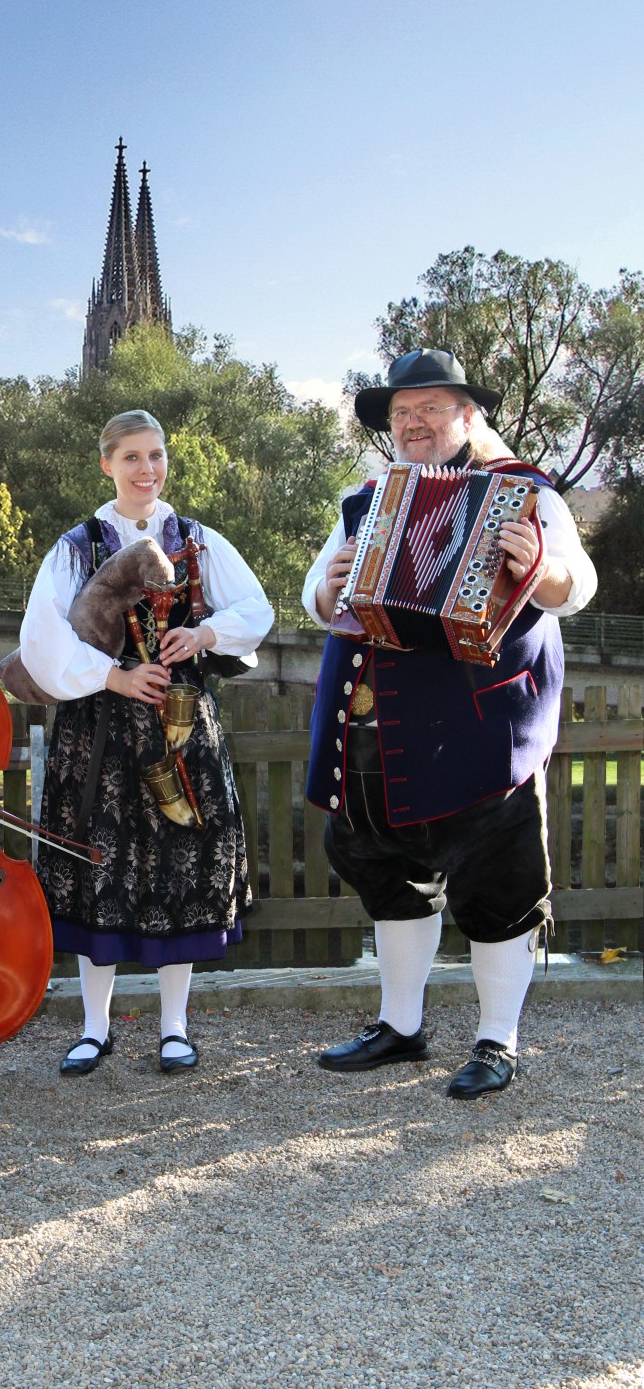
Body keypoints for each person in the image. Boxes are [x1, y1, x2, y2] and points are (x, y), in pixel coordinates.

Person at [303, 349, 597, 1098]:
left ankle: (498, 1041)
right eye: (402, 413)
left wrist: (541, 565)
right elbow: (316, 592)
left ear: (469, 415)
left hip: (481, 727)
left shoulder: (527, 493)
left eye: (431, 408)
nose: (414, 423)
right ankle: (401, 1026)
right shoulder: (364, 500)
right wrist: (327, 586)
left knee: (498, 881)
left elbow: (576, 583)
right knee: (389, 873)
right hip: (381, 730)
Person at [18, 410, 274, 1075]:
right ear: (106, 463)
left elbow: (256, 608)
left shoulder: (197, 539)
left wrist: (203, 635)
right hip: (99, 733)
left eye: (155, 455)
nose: (146, 469)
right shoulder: (78, 545)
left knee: (179, 865)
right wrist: (112, 674)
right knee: (95, 865)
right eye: (131, 456)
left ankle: (175, 1026)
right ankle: (95, 1026)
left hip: (181, 726)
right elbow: (41, 639)